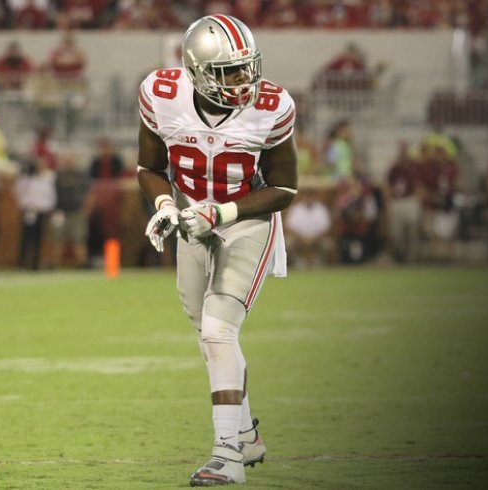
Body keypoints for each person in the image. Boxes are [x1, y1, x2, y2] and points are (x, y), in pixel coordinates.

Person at [137, 15, 297, 486]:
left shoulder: (272, 106)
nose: (243, 80)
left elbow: (284, 187)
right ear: (196, 69)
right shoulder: (160, 95)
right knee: (204, 329)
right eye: (229, 71)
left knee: (217, 330)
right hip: (192, 223)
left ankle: (227, 455)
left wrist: (221, 213)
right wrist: (166, 204)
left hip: (247, 221)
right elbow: (148, 166)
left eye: (247, 67)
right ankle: (246, 435)